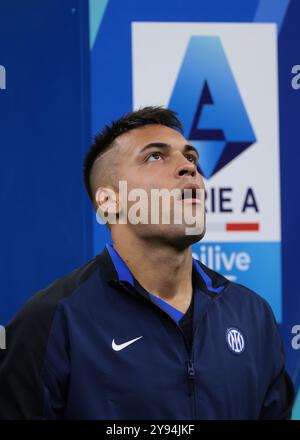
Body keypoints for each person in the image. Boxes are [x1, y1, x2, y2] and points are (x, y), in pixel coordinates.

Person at [0, 107, 295, 419]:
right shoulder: (51, 321)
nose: (188, 168)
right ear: (109, 201)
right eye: (155, 156)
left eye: (191, 158)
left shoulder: (253, 316)